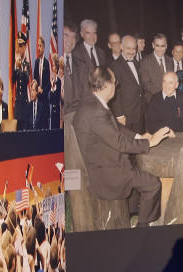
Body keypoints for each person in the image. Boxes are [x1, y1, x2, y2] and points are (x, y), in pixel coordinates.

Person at [73, 66, 171, 227]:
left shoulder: (92, 101)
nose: (116, 85)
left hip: (104, 159)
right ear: (106, 86)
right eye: (114, 82)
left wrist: (139, 136)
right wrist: (150, 142)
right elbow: (120, 142)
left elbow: (115, 127)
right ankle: (143, 227)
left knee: (137, 164)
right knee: (153, 184)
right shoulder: (96, 112)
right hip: (107, 171)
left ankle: (133, 210)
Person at [109, 35, 145, 134]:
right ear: (121, 47)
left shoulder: (137, 63)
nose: (131, 51)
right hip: (125, 115)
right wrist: (119, 115)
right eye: (128, 48)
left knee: (138, 143)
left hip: (139, 113)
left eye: (133, 48)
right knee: (127, 144)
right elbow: (114, 93)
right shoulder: (115, 66)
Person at [64, 23, 89, 117]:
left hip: (80, 117)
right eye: (66, 35)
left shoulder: (82, 65)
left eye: (73, 37)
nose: (70, 41)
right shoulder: (53, 65)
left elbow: (87, 96)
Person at [140, 33, 174, 98]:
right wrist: (164, 93)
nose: (160, 49)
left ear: (166, 46)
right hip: (153, 100)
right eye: (157, 45)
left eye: (162, 46)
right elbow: (146, 84)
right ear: (153, 45)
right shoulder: (145, 62)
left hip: (169, 98)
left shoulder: (170, 60)